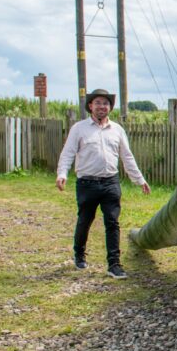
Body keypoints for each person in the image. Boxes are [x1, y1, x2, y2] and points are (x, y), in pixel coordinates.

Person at [56, 89, 150, 279]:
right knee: (85, 221)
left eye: (105, 103)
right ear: (90, 106)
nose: (102, 106)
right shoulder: (79, 129)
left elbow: (127, 157)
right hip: (87, 183)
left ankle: (114, 264)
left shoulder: (117, 130)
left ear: (110, 107)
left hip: (110, 183)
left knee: (112, 223)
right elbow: (67, 153)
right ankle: (79, 254)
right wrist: (62, 173)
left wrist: (139, 180)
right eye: (98, 103)